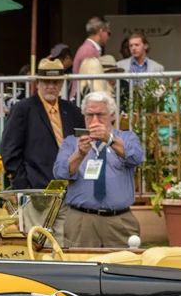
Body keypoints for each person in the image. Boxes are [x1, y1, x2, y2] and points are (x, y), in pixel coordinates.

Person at [53, 90, 143, 248]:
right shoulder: (71, 142)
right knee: (81, 263)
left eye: (100, 114)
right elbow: (60, 173)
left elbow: (136, 157)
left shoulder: (127, 137)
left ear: (112, 115)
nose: (94, 120)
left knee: (125, 262)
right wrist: (80, 154)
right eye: (89, 115)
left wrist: (110, 139)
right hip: (81, 219)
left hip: (119, 219)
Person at [1, 59, 84, 190]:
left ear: (62, 84)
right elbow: (10, 151)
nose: (51, 86)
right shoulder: (23, 109)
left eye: (55, 82)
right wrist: (24, 185)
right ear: (38, 83)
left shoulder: (72, 111)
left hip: (70, 187)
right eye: (46, 81)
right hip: (37, 188)